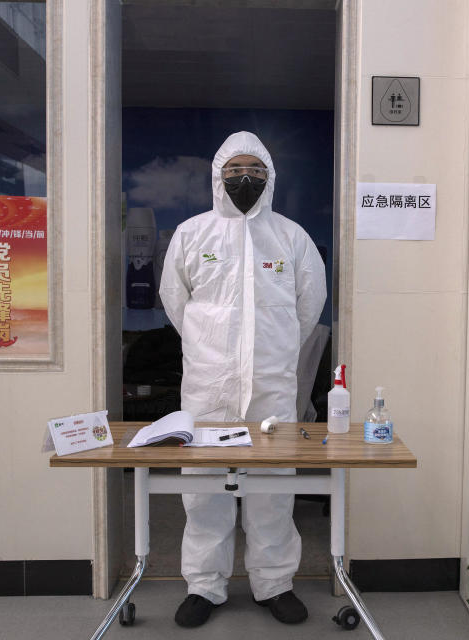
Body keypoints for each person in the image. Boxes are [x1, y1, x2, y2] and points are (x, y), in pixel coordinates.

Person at [159, 131, 327, 628]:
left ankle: (274, 583)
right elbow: (175, 302)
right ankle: (204, 586)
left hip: (272, 386)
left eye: (254, 170)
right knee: (204, 489)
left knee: (273, 488)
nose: (245, 179)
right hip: (208, 387)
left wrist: (270, 351)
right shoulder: (192, 235)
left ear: (270, 177)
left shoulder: (291, 238)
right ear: (218, 177)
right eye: (234, 171)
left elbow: (308, 307)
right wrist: (212, 348)